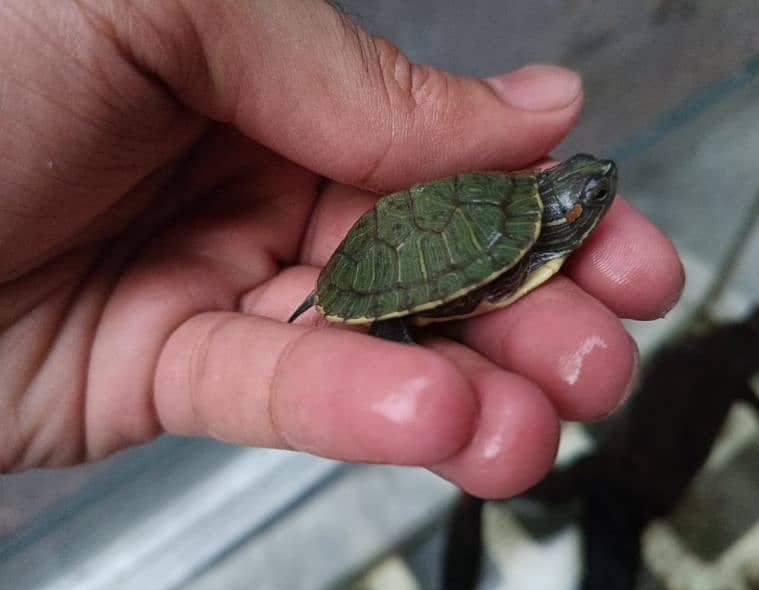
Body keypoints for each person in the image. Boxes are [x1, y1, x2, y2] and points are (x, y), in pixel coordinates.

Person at [0, 0, 683, 499]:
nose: (594, 190)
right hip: (373, 263)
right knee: (431, 356)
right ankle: (389, 325)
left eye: (586, 195)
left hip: (382, 244)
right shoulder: (515, 222)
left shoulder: (518, 214)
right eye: (587, 194)